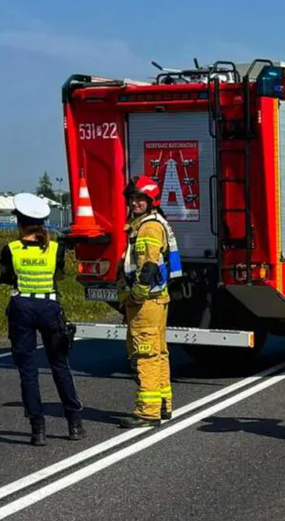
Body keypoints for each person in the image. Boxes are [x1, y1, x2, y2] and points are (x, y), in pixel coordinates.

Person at [0, 193, 85, 446]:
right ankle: (75, 424)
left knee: (28, 371)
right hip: (49, 306)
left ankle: (38, 430)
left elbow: (6, 278)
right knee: (60, 365)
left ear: (19, 223)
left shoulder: (10, 250)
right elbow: (59, 277)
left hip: (21, 306)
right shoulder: (56, 249)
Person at [117, 175, 181, 429]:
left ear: (151, 200)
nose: (134, 203)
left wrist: (136, 295)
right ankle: (163, 405)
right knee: (159, 353)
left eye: (140, 198)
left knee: (145, 354)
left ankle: (147, 411)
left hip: (146, 301)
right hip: (156, 299)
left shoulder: (148, 227)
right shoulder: (151, 223)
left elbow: (148, 266)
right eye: (132, 198)